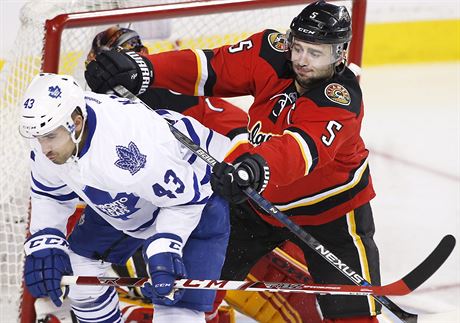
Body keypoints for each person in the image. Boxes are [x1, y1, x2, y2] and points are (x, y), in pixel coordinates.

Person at [84, 1, 382, 322]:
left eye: (314, 52)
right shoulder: (272, 52)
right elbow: (211, 67)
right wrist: (147, 69)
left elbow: (298, 150)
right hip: (257, 203)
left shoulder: (341, 99)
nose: (300, 60)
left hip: (329, 212)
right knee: (195, 288)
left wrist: (254, 166)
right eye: (297, 47)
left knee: (354, 312)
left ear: (340, 54)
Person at [20, 73, 231, 323]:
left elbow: (186, 201)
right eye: (39, 138)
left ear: (76, 123)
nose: (44, 149)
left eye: (50, 137)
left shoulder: (130, 148)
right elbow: (50, 193)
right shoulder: (50, 130)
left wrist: (165, 247)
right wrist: (47, 240)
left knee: (175, 304)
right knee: (80, 269)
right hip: (130, 198)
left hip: (200, 197)